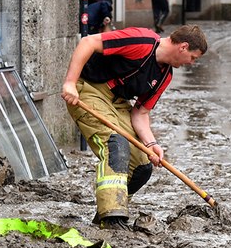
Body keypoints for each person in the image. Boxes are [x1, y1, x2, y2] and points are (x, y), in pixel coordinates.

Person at [61, 25, 208, 228]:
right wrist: (70, 82)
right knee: (116, 144)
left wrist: (151, 144)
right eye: (193, 58)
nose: (191, 63)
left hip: (118, 103)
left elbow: (140, 113)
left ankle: (105, 213)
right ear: (183, 47)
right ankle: (113, 218)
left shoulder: (165, 76)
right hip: (88, 90)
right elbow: (89, 42)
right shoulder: (142, 41)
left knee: (142, 165)